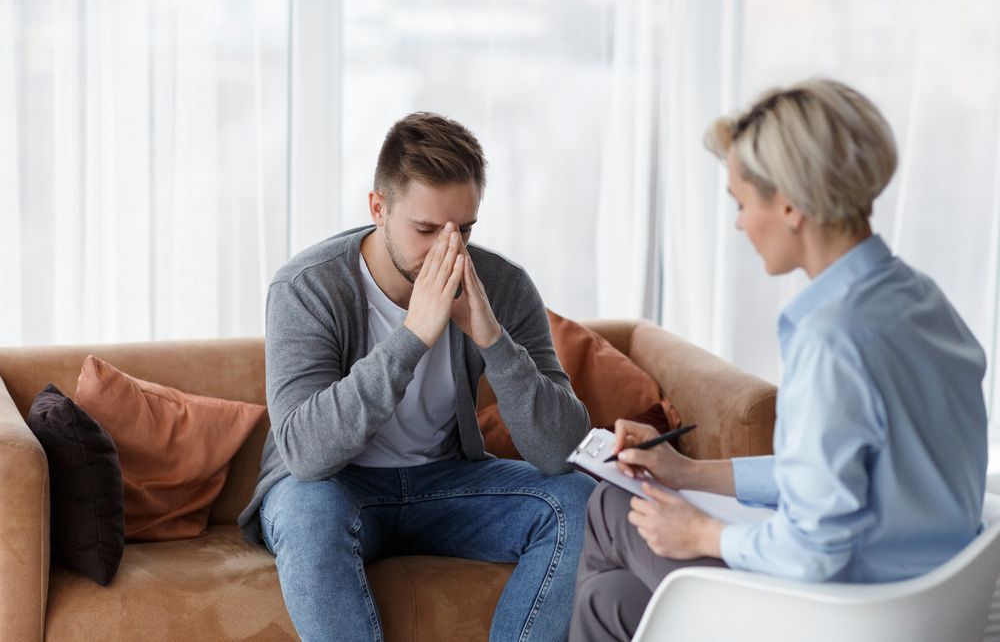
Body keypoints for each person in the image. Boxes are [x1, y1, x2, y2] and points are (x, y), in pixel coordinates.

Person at [569, 78, 988, 641]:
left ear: (789, 205)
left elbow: (814, 552)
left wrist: (702, 535)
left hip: (838, 615)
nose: (740, 224)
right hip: (925, 604)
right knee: (610, 601)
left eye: (741, 203)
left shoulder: (833, 340)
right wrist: (689, 473)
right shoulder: (921, 300)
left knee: (609, 507)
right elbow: (825, 474)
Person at [238, 112, 596, 642]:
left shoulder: (501, 283)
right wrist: (412, 337)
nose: (447, 251)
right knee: (307, 509)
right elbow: (305, 456)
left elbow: (561, 450)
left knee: (583, 500)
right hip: (335, 489)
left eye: (464, 230)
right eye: (426, 229)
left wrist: (493, 341)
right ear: (377, 208)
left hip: (445, 484)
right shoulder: (306, 286)